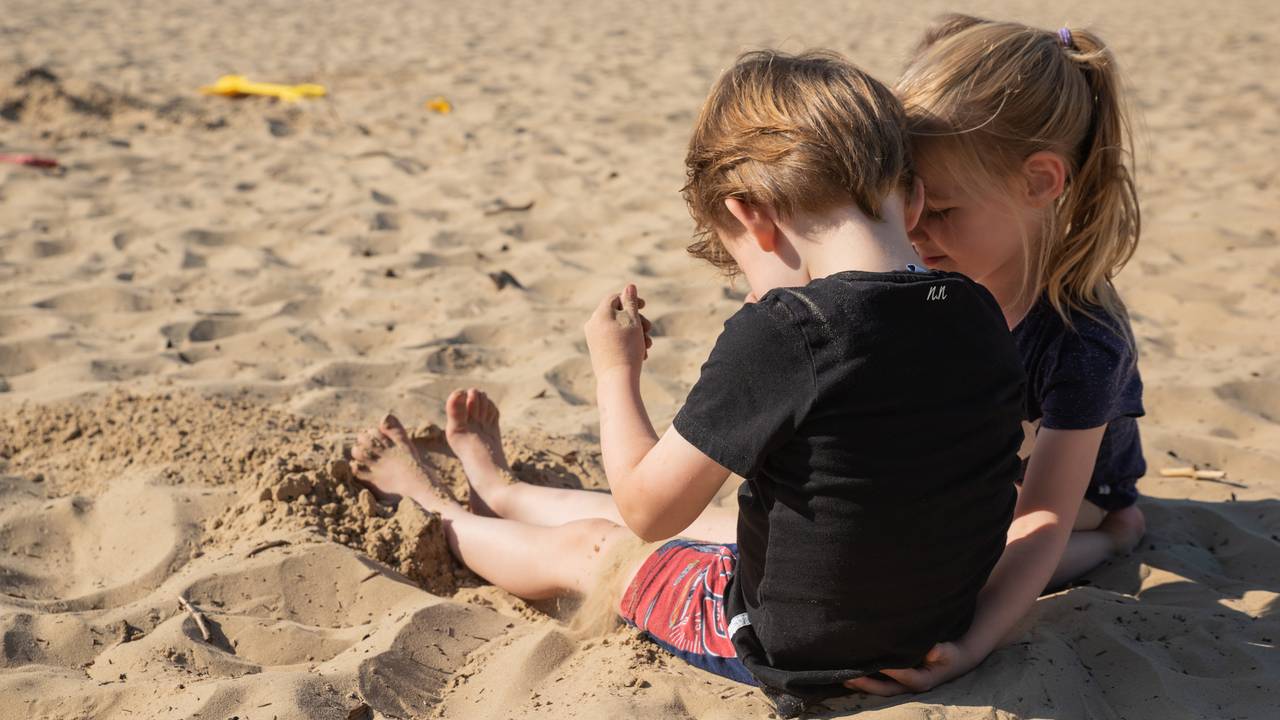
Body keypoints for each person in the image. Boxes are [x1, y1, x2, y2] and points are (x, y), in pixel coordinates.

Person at [348, 49, 1026, 714]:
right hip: (926, 632)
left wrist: (618, 372)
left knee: (595, 546)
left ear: (751, 216)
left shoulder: (794, 328)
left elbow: (646, 511)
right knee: (719, 519)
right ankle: (505, 490)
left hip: (796, 650)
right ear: (910, 200)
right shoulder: (977, 310)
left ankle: (444, 513)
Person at [844, 15, 1150, 697]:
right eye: (904, 207)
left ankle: (1119, 537)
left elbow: (1041, 521)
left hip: (1077, 497)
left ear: (1039, 181)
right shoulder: (940, 280)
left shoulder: (1079, 340)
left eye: (942, 212)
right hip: (984, 467)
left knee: (953, 564)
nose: (915, 235)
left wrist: (975, 642)